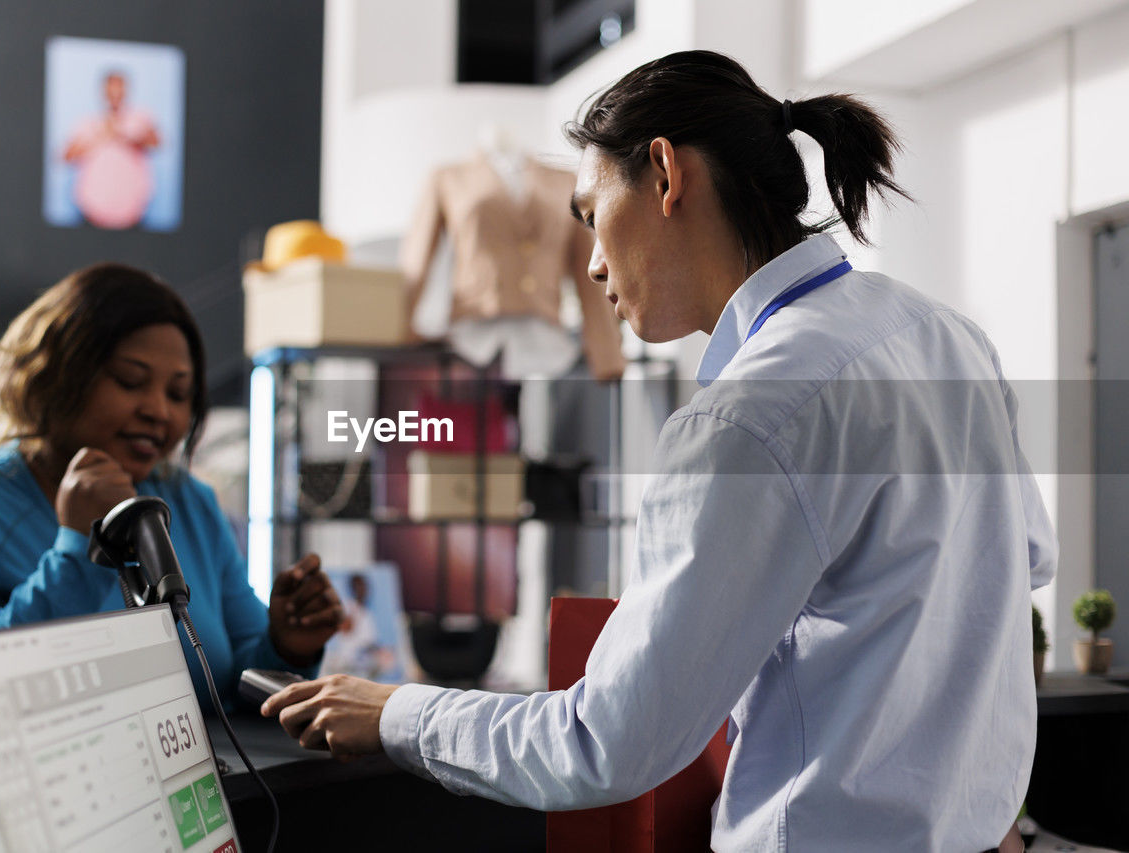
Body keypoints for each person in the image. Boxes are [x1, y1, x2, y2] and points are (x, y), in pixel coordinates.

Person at [262, 50, 1053, 851]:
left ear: (667, 175)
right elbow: (1024, 558)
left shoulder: (748, 417)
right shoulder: (947, 335)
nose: (595, 262)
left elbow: (603, 743)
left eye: (590, 215)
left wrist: (396, 710)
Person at [0, 262, 343, 747]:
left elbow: (231, 675)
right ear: (54, 377)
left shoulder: (187, 501)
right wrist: (77, 554)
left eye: (179, 393)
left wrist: (287, 643)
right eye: (129, 380)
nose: (159, 410)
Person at [63, 70, 160, 229]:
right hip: (91, 213)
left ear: (126, 90)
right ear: (103, 92)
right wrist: (101, 135)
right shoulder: (89, 122)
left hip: (133, 214)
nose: (115, 93)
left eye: (119, 88)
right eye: (111, 88)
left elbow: (155, 143)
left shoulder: (140, 118)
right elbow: (67, 156)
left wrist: (124, 134)